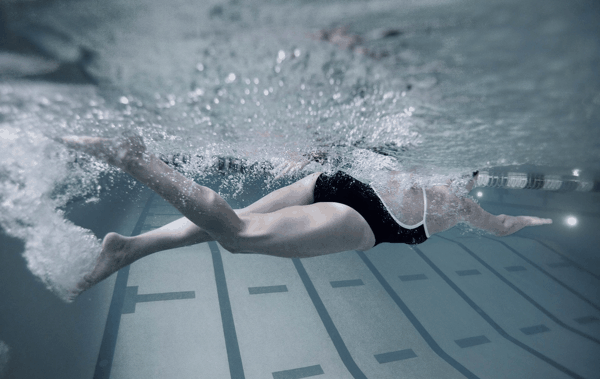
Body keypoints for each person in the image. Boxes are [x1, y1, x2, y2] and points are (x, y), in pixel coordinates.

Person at [59, 135, 552, 300]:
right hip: (368, 220)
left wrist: (519, 223)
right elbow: (499, 225)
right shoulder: (459, 204)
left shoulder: (426, 165)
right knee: (238, 235)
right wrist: (522, 224)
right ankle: (132, 158)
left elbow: (500, 223)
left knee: (231, 222)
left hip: (334, 180)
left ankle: (130, 247)